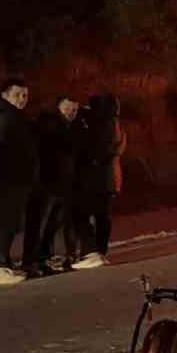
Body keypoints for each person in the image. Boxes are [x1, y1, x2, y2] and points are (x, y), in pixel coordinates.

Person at [0, 77, 38, 286]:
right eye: (18, 94)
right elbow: (5, 149)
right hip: (8, 179)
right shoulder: (3, 115)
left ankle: (2, 264)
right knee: (5, 223)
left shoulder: (14, 116)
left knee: (10, 223)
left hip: (16, 179)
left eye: (25, 95)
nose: (22, 99)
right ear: (5, 95)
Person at [23, 97, 81, 275]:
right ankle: (34, 261)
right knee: (43, 224)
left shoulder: (64, 126)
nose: (72, 113)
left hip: (59, 182)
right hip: (49, 183)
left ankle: (41, 259)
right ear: (59, 107)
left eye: (75, 110)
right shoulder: (52, 126)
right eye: (68, 109)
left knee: (50, 224)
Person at [69, 94, 126, 269]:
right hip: (110, 179)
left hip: (96, 179)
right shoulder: (115, 124)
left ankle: (91, 252)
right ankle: (100, 251)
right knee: (103, 217)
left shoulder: (101, 124)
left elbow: (94, 149)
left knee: (81, 213)